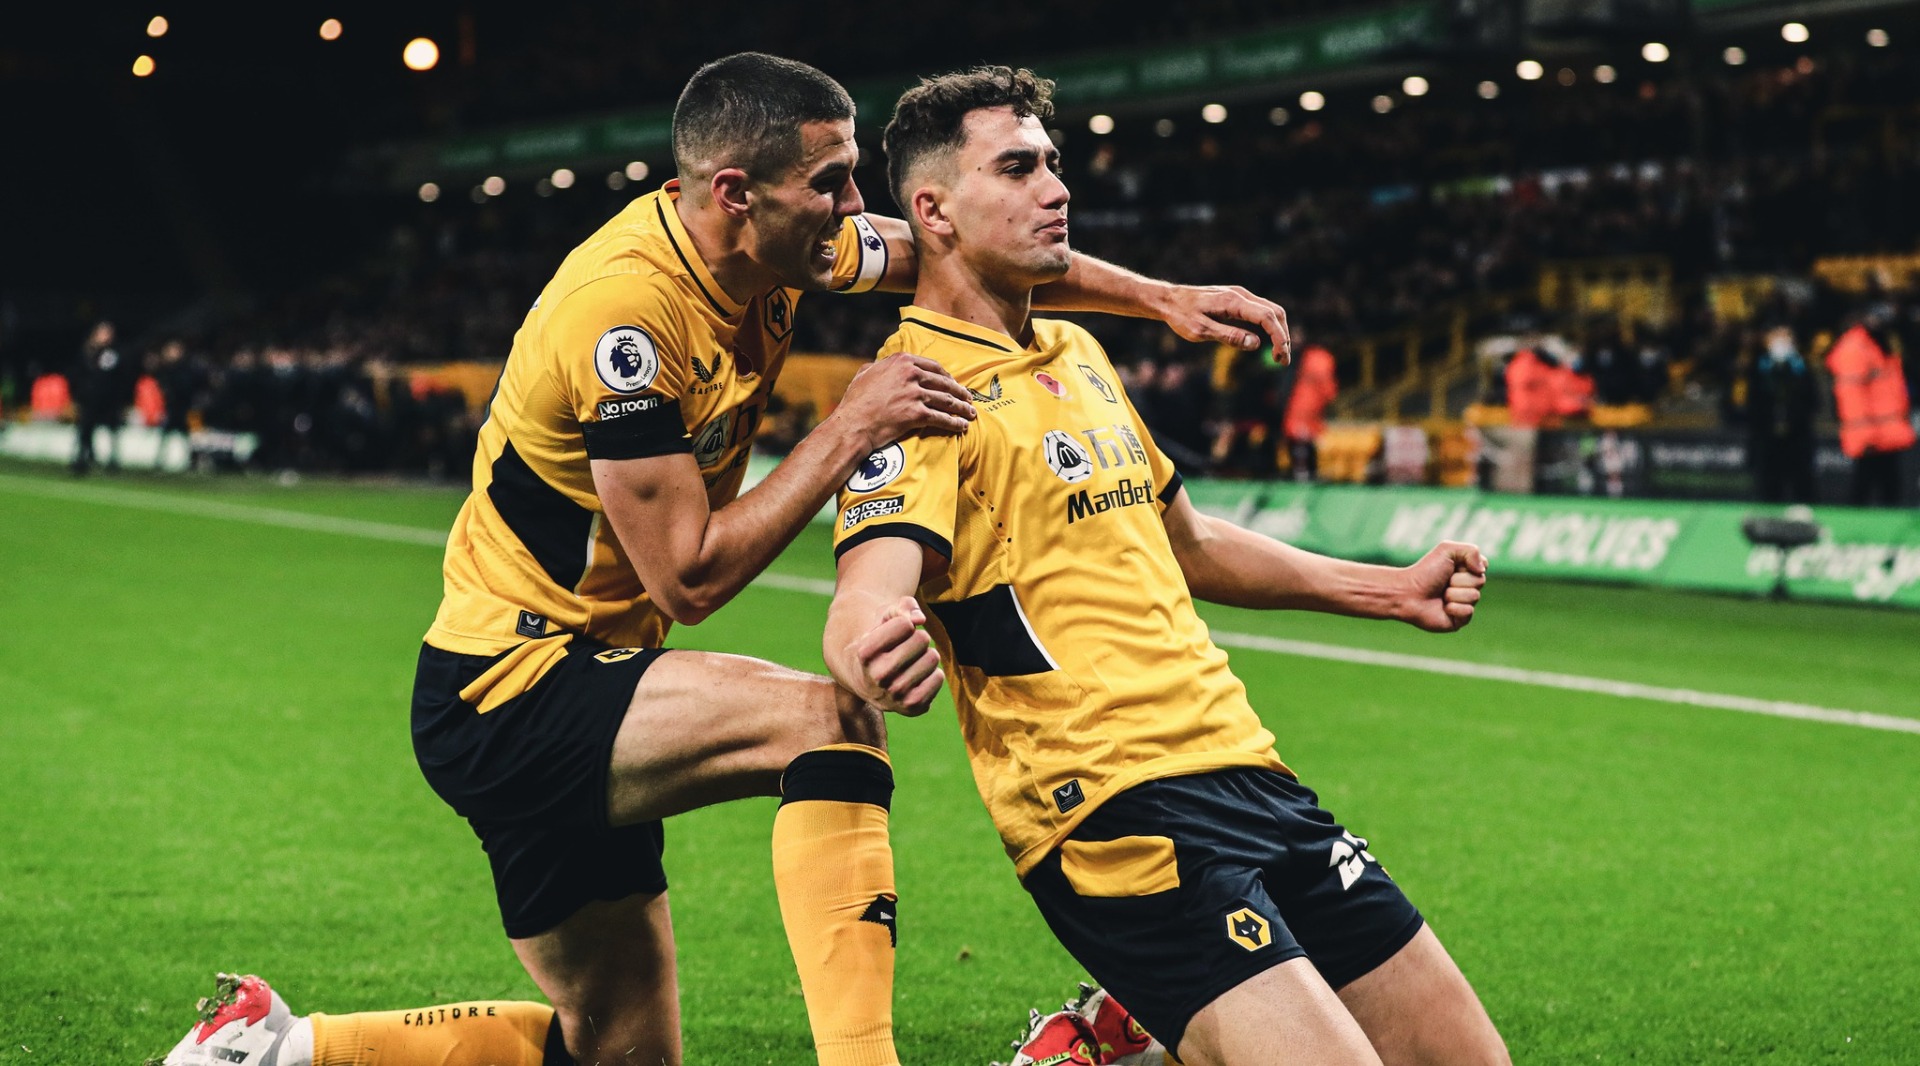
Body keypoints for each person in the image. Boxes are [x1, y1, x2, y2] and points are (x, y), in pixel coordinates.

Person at [161, 53, 1292, 1066]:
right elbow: (689, 579)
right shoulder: (627, 316)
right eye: (831, 183)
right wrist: (847, 429)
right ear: (736, 194)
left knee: (616, 1051)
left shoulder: (788, 241)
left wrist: (1161, 299)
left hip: (590, 676)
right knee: (828, 720)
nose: (855, 209)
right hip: (512, 683)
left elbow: (960, 246)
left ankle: (276, 1046)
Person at [826, 67, 1507, 1066]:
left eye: (1052, 164)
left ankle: (1117, 1047)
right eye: (1016, 169)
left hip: (1246, 764)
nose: (1056, 189)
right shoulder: (917, 393)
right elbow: (866, 592)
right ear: (931, 211)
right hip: (1110, 804)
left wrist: (1388, 589)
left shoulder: (1078, 351)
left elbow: (1190, 543)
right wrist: (870, 646)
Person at [1827, 303, 1914, 507]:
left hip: (1888, 429)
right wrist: (1864, 434)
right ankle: (1855, 526)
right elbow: (1851, 395)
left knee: (1890, 484)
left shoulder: (1882, 342)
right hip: (1871, 431)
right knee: (1864, 484)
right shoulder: (1855, 347)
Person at [1742, 324, 1817, 503]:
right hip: (1766, 436)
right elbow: (1752, 402)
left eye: (1786, 337)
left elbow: (1812, 401)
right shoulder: (1758, 367)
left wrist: (1793, 419)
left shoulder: (1802, 367)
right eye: (1777, 337)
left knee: (1801, 480)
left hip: (1797, 435)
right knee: (1768, 482)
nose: (1781, 342)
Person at [70, 319, 131, 474]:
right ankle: (82, 459)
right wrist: (79, 395)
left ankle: (112, 461)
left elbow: (120, 377)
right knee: (85, 429)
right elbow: (79, 374)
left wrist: (121, 400)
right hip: (90, 399)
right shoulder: (87, 351)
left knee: (112, 429)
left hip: (109, 399)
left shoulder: (114, 353)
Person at [1283, 334, 1337, 481]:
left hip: (1295, 402)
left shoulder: (1306, 355)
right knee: (1304, 440)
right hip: (1309, 407)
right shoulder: (1323, 358)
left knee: (1298, 439)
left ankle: (1300, 472)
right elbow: (1326, 385)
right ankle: (1304, 473)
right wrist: (1331, 396)